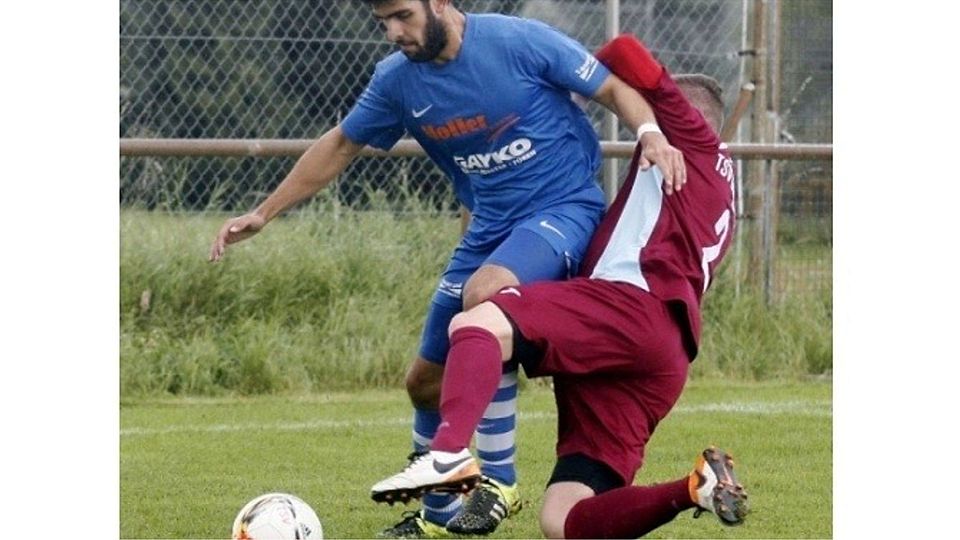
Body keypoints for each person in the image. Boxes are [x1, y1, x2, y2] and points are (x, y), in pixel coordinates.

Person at [209, 1, 686, 537]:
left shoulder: (519, 42)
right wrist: (263, 212)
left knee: (485, 295)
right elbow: (342, 143)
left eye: (403, 15)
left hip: (564, 211)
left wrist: (650, 133)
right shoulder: (397, 82)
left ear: (439, 2)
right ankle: (437, 516)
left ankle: (499, 481)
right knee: (424, 384)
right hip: (489, 229)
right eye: (382, 21)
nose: (394, 32)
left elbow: (613, 88)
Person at [369, 34, 748, 539]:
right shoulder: (725, 183)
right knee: (564, 521)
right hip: (666, 354)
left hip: (630, 306)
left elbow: (624, 50)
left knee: (479, 316)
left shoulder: (688, 135)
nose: (640, 118)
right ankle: (693, 488)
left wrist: (575, 77)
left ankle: (449, 455)